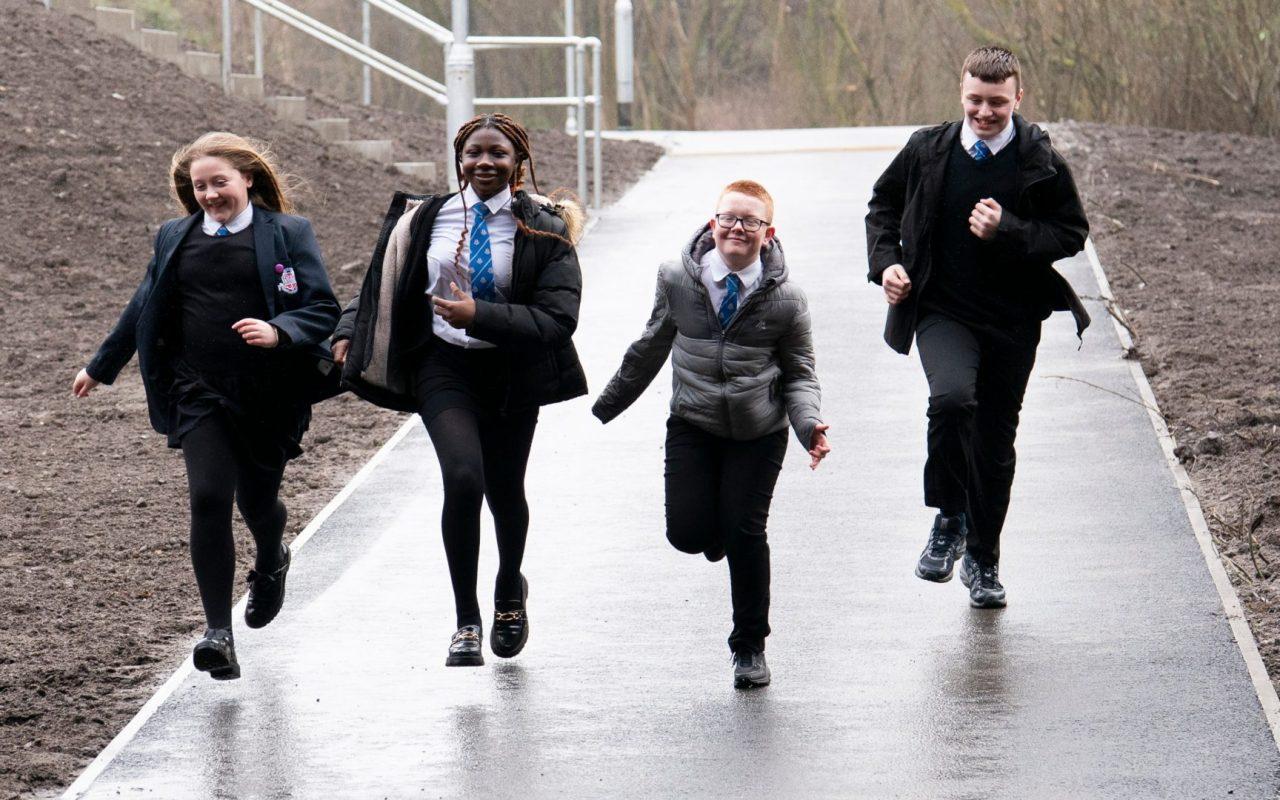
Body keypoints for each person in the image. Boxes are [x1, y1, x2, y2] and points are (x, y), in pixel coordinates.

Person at [72, 132, 341, 679]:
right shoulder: (175, 235)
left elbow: (322, 307)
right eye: (201, 186)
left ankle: (272, 556)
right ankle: (218, 631)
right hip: (197, 390)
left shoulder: (288, 232)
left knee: (258, 502)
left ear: (248, 178)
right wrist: (101, 365)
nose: (211, 195)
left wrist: (278, 329)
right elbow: (143, 304)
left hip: (269, 395)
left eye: (221, 182)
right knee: (209, 497)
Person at [332, 113, 587, 667]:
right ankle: (466, 620)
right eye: (474, 153)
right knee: (464, 477)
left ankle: (508, 593)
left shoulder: (544, 227)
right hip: (441, 367)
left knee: (504, 489)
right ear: (459, 158)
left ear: (518, 162)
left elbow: (558, 318)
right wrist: (349, 330)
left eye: (498, 154)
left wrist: (482, 315)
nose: (484, 163)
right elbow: (384, 279)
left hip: (512, 372)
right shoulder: (426, 217)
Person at [865, 46, 1090, 608]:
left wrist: (1009, 229)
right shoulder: (927, 149)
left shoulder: (1040, 159)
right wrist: (886, 264)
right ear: (960, 94)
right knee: (950, 399)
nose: (984, 113)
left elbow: (1070, 232)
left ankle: (984, 563)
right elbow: (882, 209)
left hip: (1013, 321)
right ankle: (949, 518)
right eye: (974, 101)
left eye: (996, 102)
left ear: (1019, 97)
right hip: (941, 310)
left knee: (993, 443)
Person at [593, 180, 829, 689]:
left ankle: (749, 648)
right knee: (687, 534)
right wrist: (606, 405)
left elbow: (801, 371)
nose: (737, 229)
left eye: (750, 222)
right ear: (712, 222)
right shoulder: (678, 277)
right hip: (694, 423)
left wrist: (809, 426)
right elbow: (650, 345)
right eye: (729, 218)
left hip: (759, 430)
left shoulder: (786, 298)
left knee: (745, 533)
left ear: (768, 233)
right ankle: (717, 529)